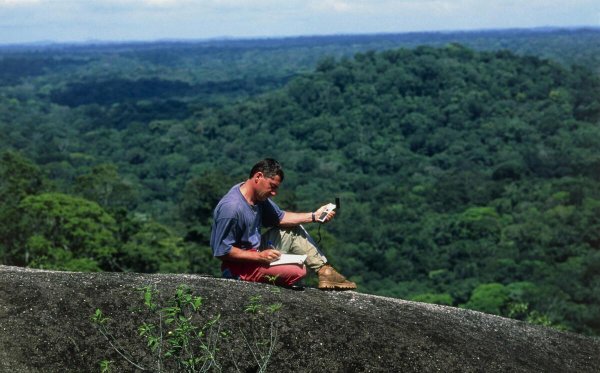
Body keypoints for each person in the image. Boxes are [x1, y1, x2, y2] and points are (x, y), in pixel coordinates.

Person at [210, 158, 357, 290]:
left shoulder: (257, 198)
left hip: (256, 251)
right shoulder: (232, 207)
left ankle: (325, 271)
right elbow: (222, 250)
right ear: (258, 176)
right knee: (299, 271)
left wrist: (315, 216)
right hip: (238, 267)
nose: (274, 193)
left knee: (292, 229)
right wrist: (260, 257)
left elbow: (280, 218)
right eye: (272, 186)